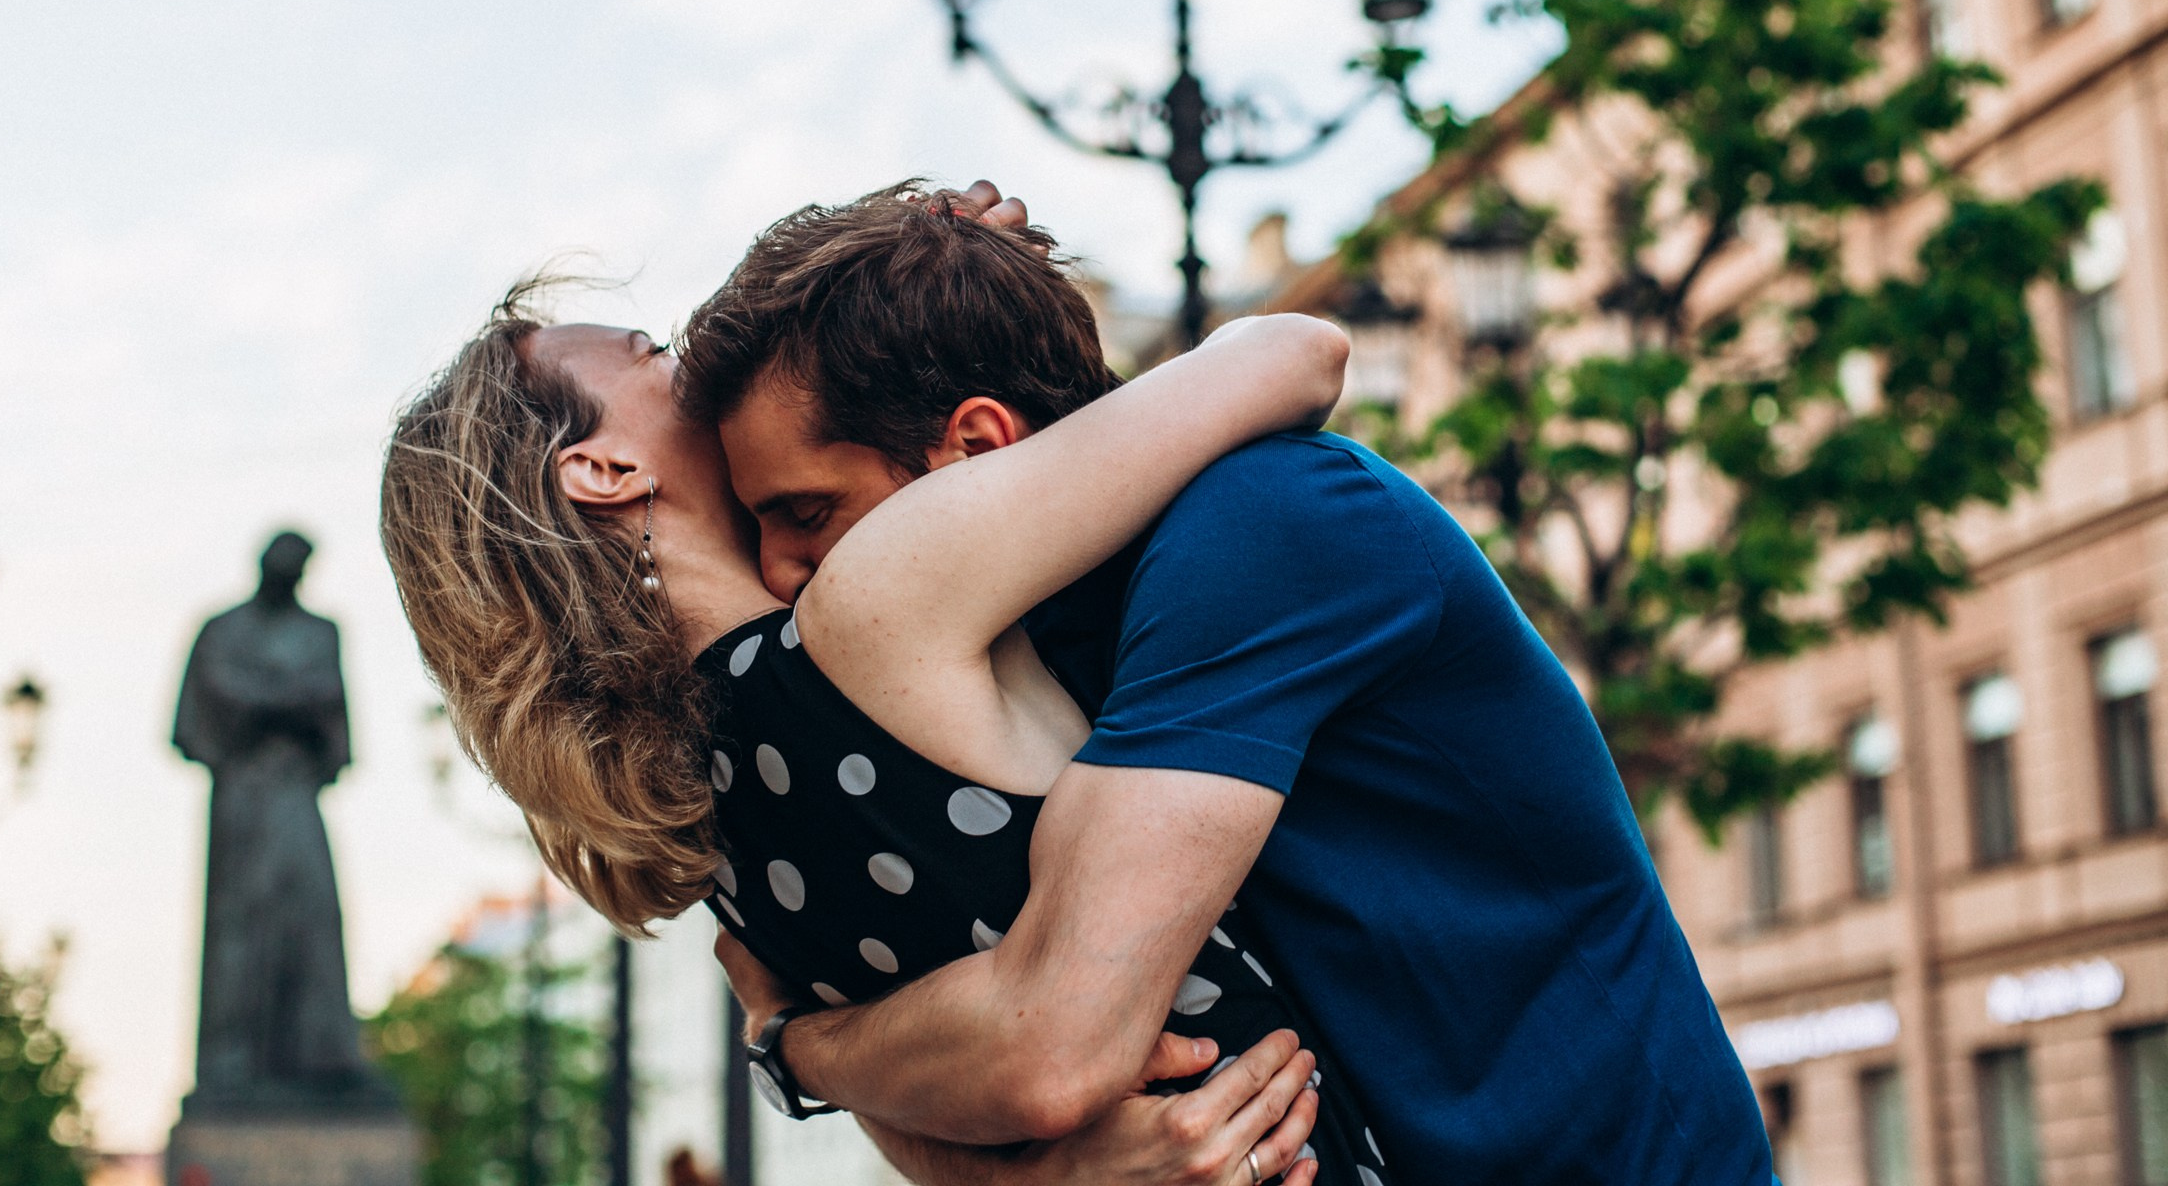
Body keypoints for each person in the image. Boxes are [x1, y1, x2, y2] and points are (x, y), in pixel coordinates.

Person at [675, 183, 1775, 1185]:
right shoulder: (1018, 653)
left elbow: (1049, 1038)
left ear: (974, 442)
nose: (781, 575)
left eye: (806, 513)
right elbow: (984, 1085)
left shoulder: (1264, 527)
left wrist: (794, 1038)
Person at [380, 217, 1362, 1185]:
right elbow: (1294, 355)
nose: (694, 364)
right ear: (604, 470)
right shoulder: (876, 597)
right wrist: (926, 280)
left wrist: (927, 273)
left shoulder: (716, 834)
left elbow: (928, 1101)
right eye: (657, 356)